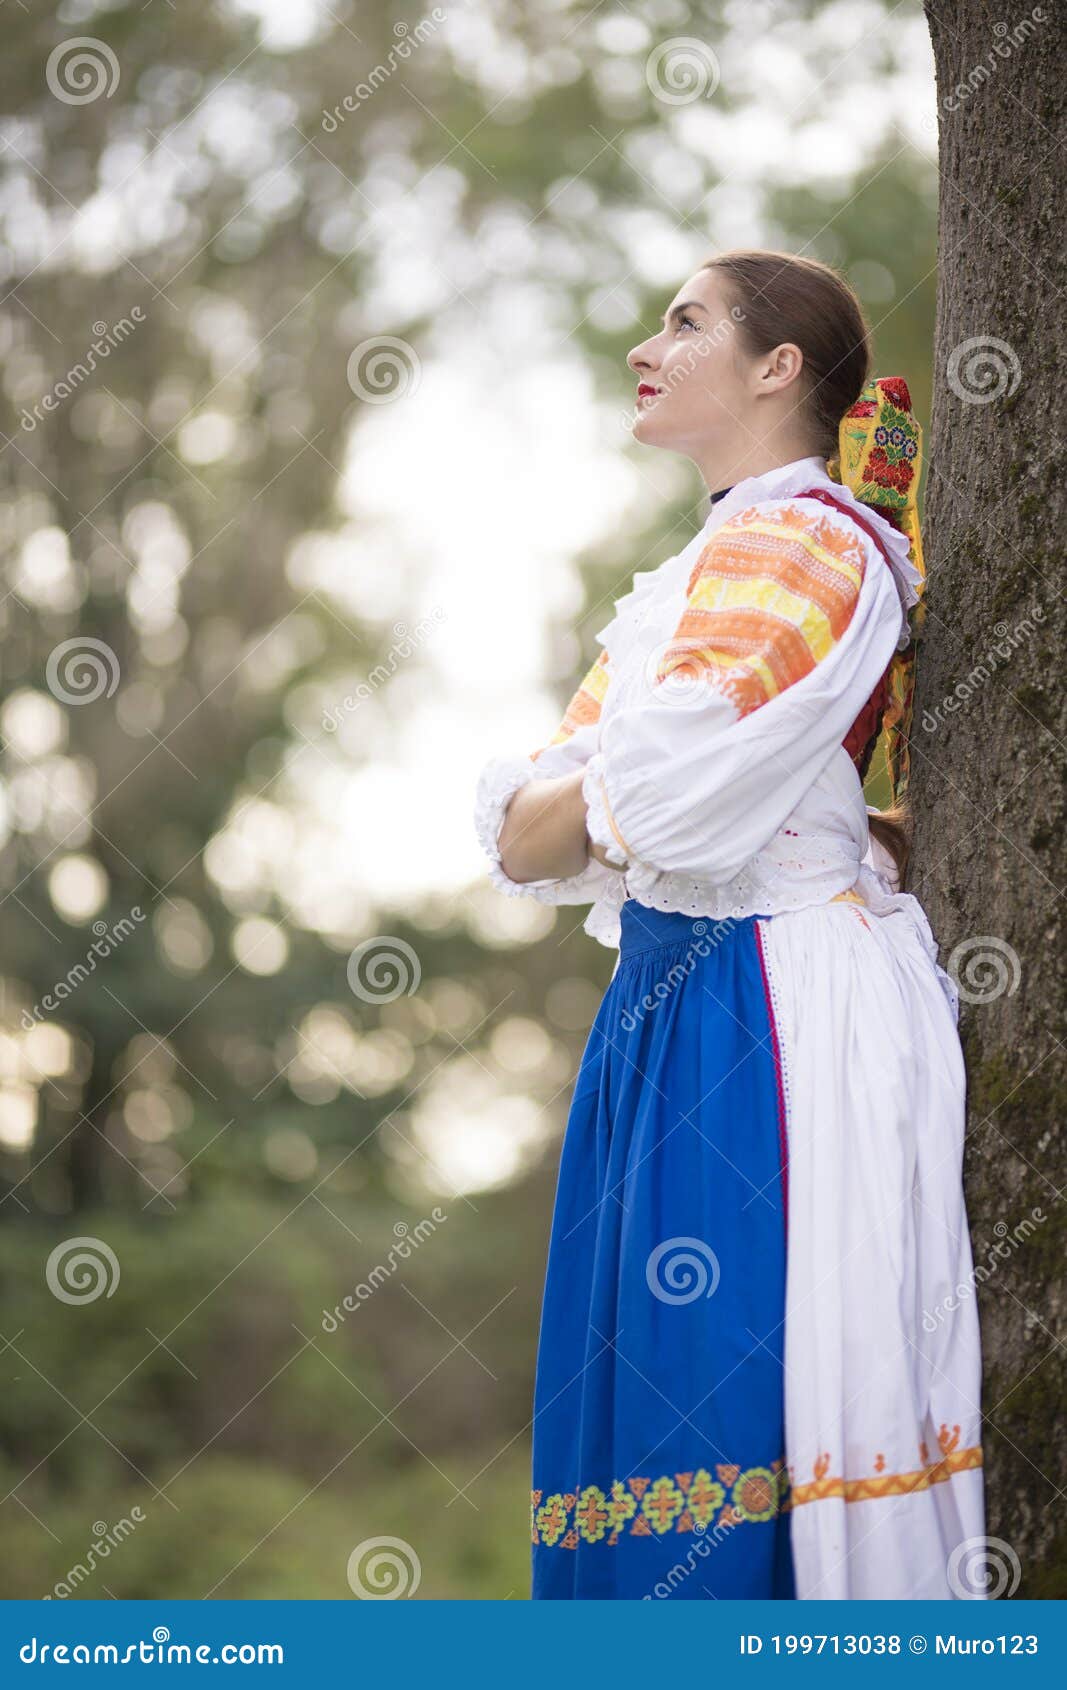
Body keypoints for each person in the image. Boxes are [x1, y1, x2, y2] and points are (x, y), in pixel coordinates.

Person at [472, 249, 986, 1600]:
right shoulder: (701, 567)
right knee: (657, 1415)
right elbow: (530, 830)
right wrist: (599, 800)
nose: (650, 344)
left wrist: (599, 799)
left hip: (775, 1008)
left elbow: (662, 802)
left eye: (685, 321)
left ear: (779, 369)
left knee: (749, 1401)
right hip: (680, 1002)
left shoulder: (805, 536)